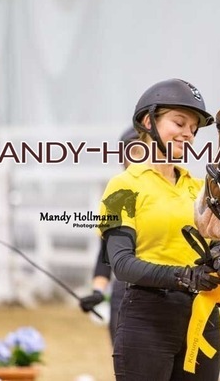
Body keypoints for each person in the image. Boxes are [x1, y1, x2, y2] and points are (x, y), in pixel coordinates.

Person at [98, 79, 220, 381]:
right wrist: (183, 276)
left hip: (202, 319)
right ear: (149, 122)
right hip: (148, 318)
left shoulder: (200, 188)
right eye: (179, 123)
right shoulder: (121, 187)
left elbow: (219, 241)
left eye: (194, 129)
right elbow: (122, 264)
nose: (189, 134)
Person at [79, 127, 139, 344]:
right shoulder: (117, 197)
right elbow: (105, 254)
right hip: (124, 293)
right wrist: (98, 291)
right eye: (131, 153)